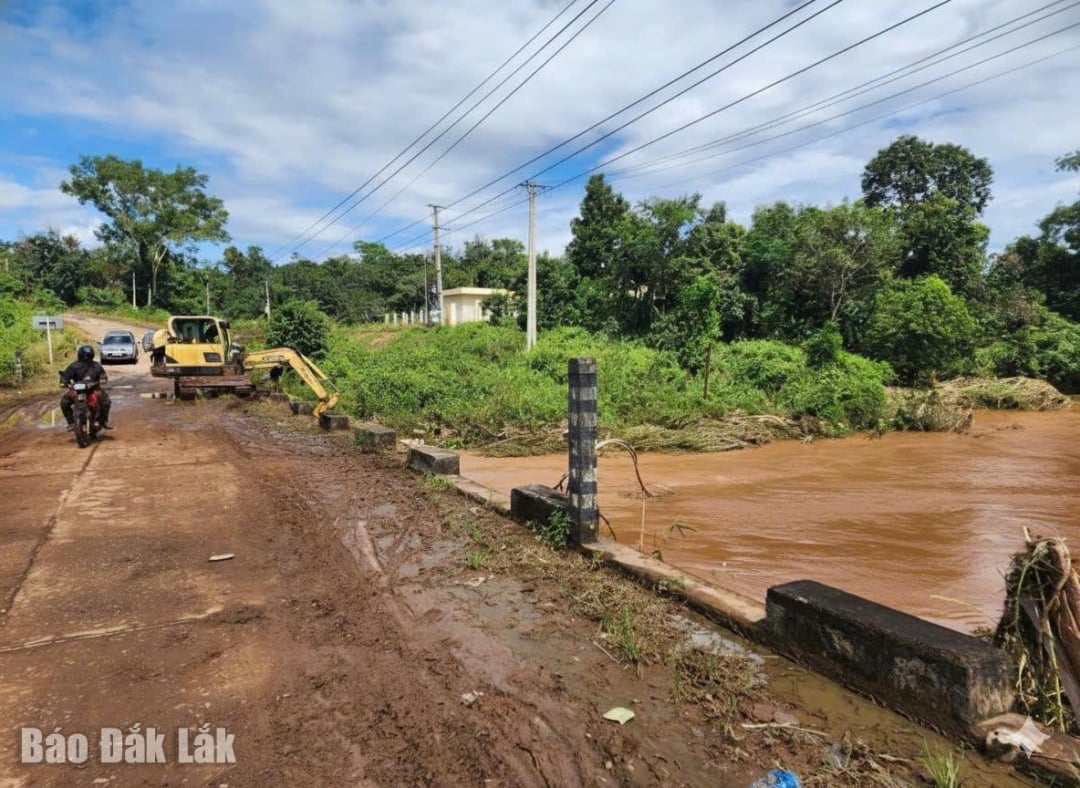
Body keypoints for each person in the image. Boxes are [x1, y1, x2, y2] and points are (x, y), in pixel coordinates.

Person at [59, 345, 114, 431]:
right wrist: (64, 382)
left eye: (87, 355)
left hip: (93, 389)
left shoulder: (96, 365)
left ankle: (103, 421)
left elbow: (103, 376)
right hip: (77, 390)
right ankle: (71, 423)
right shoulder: (74, 366)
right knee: (64, 402)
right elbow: (66, 376)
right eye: (84, 355)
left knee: (106, 401)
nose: (86, 357)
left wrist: (102, 380)